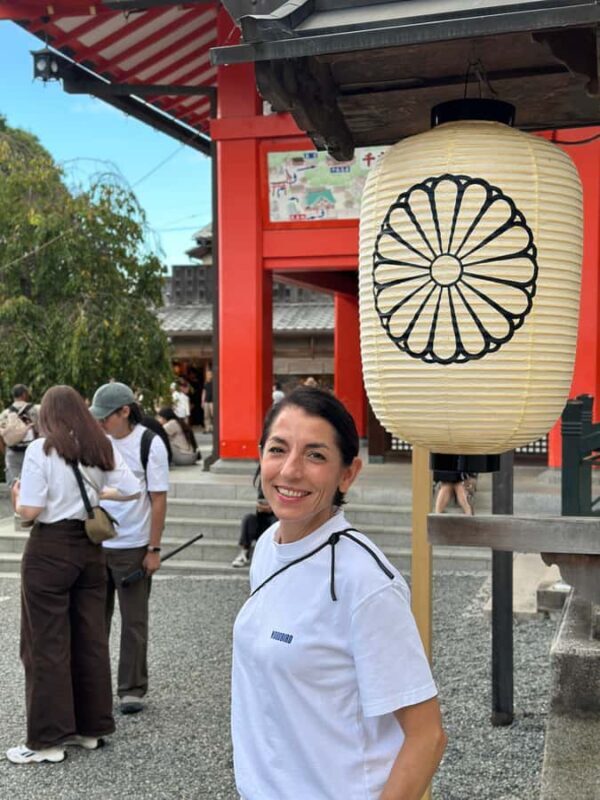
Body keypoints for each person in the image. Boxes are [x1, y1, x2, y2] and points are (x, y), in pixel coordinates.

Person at [231, 387, 447, 800]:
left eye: (315, 455)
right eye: (278, 449)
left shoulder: (364, 582)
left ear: (347, 474)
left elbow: (427, 736)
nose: (290, 470)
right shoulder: (267, 549)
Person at [7, 385, 140, 765]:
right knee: (90, 639)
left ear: (48, 415)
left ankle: (47, 741)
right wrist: (99, 495)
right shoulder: (100, 446)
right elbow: (133, 489)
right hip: (90, 551)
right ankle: (90, 729)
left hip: (50, 549)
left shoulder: (41, 449)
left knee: (45, 643)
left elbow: (31, 510)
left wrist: (17, 501)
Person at [90, 382, 169, 715]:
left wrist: (154, 548)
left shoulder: (150, 443)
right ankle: (93, 689)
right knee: (93, 622)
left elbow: (158, 498)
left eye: (105, 417)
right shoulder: (98, 441)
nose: (100, 423)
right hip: (96, 541)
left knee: (134, 622)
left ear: (125, 411)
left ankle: (131, 689)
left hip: (134, 544)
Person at [0, 384, 39, 486]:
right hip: (33, 453)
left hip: (12, 453)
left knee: (15, 485)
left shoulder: (5, 414)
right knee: (33, 484)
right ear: (24, 394)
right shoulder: (36, 410)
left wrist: (6, 452)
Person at [231, 487, 276, 568]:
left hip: (275, 525)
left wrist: (272, 508)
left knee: (276, 521)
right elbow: (259, 506)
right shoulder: (263, 489)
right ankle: (244, 552)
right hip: (261, 523)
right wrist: (264, 507)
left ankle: (273, 555)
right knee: (248, 518)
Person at [201, 369, 214, 433]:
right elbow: (204, 392)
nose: (208, 376)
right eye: (207, 375)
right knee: (206, 416)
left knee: (213, 415)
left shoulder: (214, 383)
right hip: (206, 401)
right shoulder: (205, 383)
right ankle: (207, 428)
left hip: (212, 401)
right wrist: (202, 401)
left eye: (210, 374)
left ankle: (213, 428)